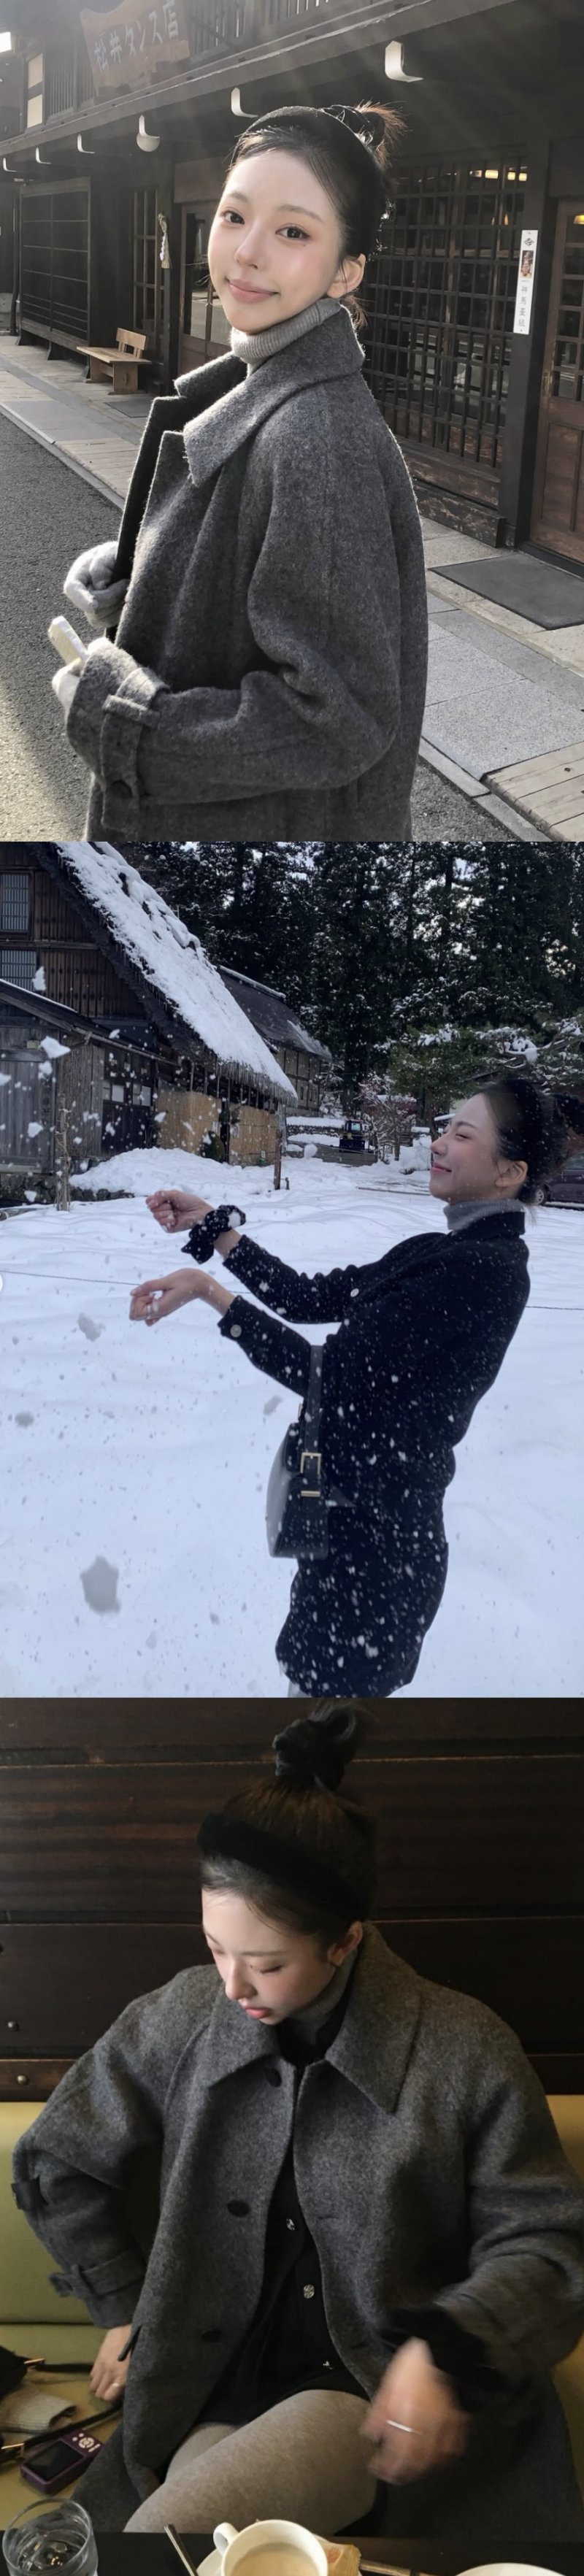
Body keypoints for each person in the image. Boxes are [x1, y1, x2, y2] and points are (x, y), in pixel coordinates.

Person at [12, 1707, 584, 2551]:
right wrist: (123, 2301)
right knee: (181, 2544)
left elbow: (547, 2242)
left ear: (345, 1940)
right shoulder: (179, 2018)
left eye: (267, 1962)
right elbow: (54, 2160)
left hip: (367, 2388)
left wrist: (450, 2348)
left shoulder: (462, 2049)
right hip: (209, 2380)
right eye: (215, 1947)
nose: (232, 1986)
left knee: (162, 2537)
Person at [129, 1077, 582, 1697]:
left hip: (380, 1556)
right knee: (313, 1722)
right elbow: (306, 1296)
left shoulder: (484, 1271)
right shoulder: (441, 1251)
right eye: (445, 1128)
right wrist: (215, 1225)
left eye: (462, 1134)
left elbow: (327, 1375)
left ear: (510, 1172)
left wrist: (208, 1291)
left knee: (325, 1736)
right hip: (352, 1531)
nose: (438, 1142)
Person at [50, 103, 428, 845]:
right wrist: (143, 565)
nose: (248, 252)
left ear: (346, 271)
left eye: (293, 232)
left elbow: (339, 719)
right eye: (234, 216)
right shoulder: (263, 388)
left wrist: (127, 723)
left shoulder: (316, 439)